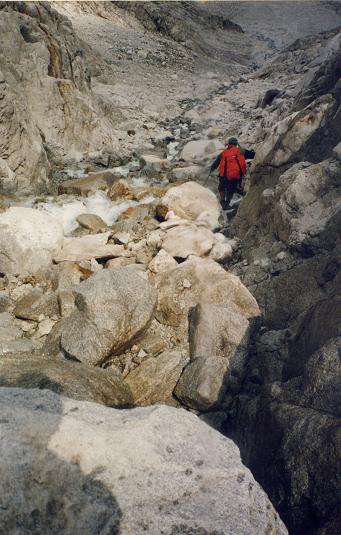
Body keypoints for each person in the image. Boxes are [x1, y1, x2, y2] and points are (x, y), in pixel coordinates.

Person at [210, 137, 255, 210]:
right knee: (231, 190)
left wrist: (212, 168)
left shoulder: (224, 152)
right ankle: (227, 204)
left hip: (222, 176)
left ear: (228, 144)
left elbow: (216, 162)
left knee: (222, 188)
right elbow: (253, 155)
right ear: (236, 144)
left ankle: (222, 201)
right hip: (233, 176)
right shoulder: (241, 151)